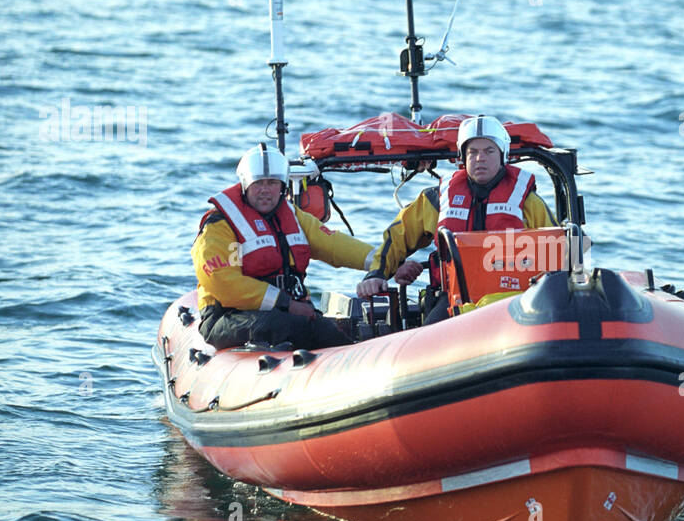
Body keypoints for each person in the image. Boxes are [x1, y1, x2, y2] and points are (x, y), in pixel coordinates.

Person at [356, 114, 555, 321]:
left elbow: (560, 247)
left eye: (489, 151)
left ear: (502, 154)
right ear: (462, 157)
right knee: (430, 337)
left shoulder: (528, 203)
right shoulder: (436, 200)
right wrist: (376, 275)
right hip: (453, 299)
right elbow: (397, 238)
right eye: (472, 152)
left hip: (514, 297)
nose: (480, 158)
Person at [193, 144, 376, 350]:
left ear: (282, 186)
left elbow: (333, 243)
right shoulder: (222, 225)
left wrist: (382, 261)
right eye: (258, 183)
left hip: (288, 312)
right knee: (282, 325)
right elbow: (223, 282)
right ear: (245, 184)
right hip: (228, 316)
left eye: (272, 183)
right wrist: (286, 303)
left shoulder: (292, 216)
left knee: (327, 333)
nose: (265, 190)